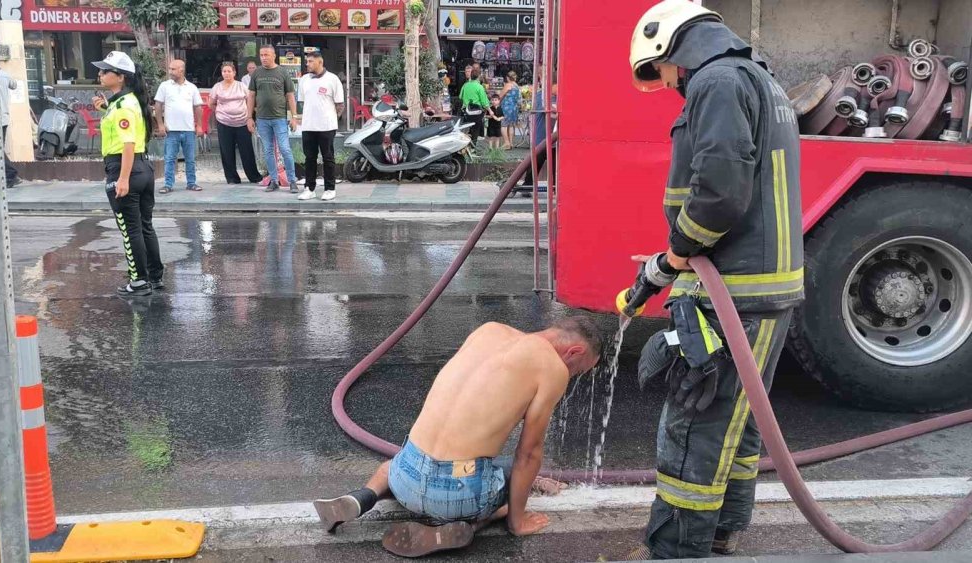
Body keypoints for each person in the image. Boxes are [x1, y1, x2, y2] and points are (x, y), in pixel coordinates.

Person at [625, 1, 803, 558]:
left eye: (663, 72)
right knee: (737, 424)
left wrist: (678, 251)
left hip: (734, 290)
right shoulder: (758, 78)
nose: (670, 85)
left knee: (694, 424)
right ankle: (722, 533)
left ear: (673, 47)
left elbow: (720, 193)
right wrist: (666, 264)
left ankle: (678, 547)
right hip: (761, 287)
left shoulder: (717, 82)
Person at [313, 317, 602, 558]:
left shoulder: (488, 331)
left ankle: (361, 498)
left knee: (394, 465)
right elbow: (528, 455)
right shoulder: (551, 367)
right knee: (513, 479)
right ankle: (471, 525)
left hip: (405, 473)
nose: (572, 375)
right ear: (573, 352)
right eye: (578, 370)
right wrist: (518, 521)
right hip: (458, 493)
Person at [91, 51, 164, 297]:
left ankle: (139, 282)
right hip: (142, 169)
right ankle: (154, 276)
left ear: (120, 77)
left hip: (125, 168)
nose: (100, 74)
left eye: (105, 71)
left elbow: (128, 144)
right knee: (144, 227)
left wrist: (121, 179)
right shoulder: (129, 101)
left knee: (130, 229)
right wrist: (104, 109)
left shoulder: (123, 106)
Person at [248, 45, 299, 193]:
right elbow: (251, 96)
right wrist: (249, 117)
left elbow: (290, 96)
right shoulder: (256, 73)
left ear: (274, 56)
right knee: (268, 150)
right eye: (261, 55)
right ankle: (274, 180)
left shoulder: (282, 72)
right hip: (262, 119)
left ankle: (292, 180)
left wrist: (294, 117)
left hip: (279, 118)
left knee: (285, 149)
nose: (263, 57)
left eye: (266, 55)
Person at [296, 48, 344, 202]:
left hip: (327, 126)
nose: (307, 64)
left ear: (320, 62)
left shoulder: (332, 79)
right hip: (308, 126)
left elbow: (340, 104)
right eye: (307, 61)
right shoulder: (304, 80)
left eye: (310, 61)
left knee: (328, 158)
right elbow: (302, 102)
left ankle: (330, 189)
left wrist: (331, 118)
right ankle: (309, 188)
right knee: (309, 158)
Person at [209, 62, 263, 185]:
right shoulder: (217, 87)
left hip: (242, 122)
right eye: (224, 71)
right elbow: (211, 103)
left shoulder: (241, 86)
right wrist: (221, 112)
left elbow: (250, 100)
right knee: (227, 151)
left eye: (229, 71)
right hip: (224, 123)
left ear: (234, 73)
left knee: (247, 150)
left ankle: (254, 177)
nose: (226, 73)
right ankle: (232, 178)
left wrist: (250, 117)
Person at [154, 59, 204, 193]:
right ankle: (168, 184)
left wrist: (199, 126)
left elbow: (198, 107)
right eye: (169, 69)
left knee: (190, 159)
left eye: (173, 69)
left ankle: (191, 183)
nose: (170, 72)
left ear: (181, 70)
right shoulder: (165, 86)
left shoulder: (191, 87)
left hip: (188, 129)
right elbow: (158, 105)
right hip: (171, 130)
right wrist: (160, 124)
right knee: (170, 158)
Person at [520, 79, 557, 188]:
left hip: (553, 139)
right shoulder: (542, 97)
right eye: (558, 86)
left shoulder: (555, 96)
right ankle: (527, 185)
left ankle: (555, 188)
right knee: (534, 165)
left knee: (555, 166)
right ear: (552, 85)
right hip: (542, 138)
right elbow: (552, 112)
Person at [0, 68, 21, 188]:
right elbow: (14, 85)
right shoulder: (4, 75)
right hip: (4, 117)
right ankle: (9, 174)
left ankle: (11, 174)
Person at [459, 69, 493, 152]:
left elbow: (460, 97)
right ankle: (473, 147)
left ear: (471, 76)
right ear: (478, 77)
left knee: (468, 128)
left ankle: (466, 147)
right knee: (476, 129)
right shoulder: (479, 87)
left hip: (466, 111)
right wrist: (490, 110)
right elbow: (484, 102)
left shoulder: (465, 85)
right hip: (477, 112)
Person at [499, 71, 520, 150]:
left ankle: (506, 143)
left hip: (506, 107)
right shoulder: (516, 86)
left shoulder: (508, 85)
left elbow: (501, 96)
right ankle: (511, 143)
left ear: (507, 78)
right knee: (511, 125)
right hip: (514, 108)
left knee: (503, 125)